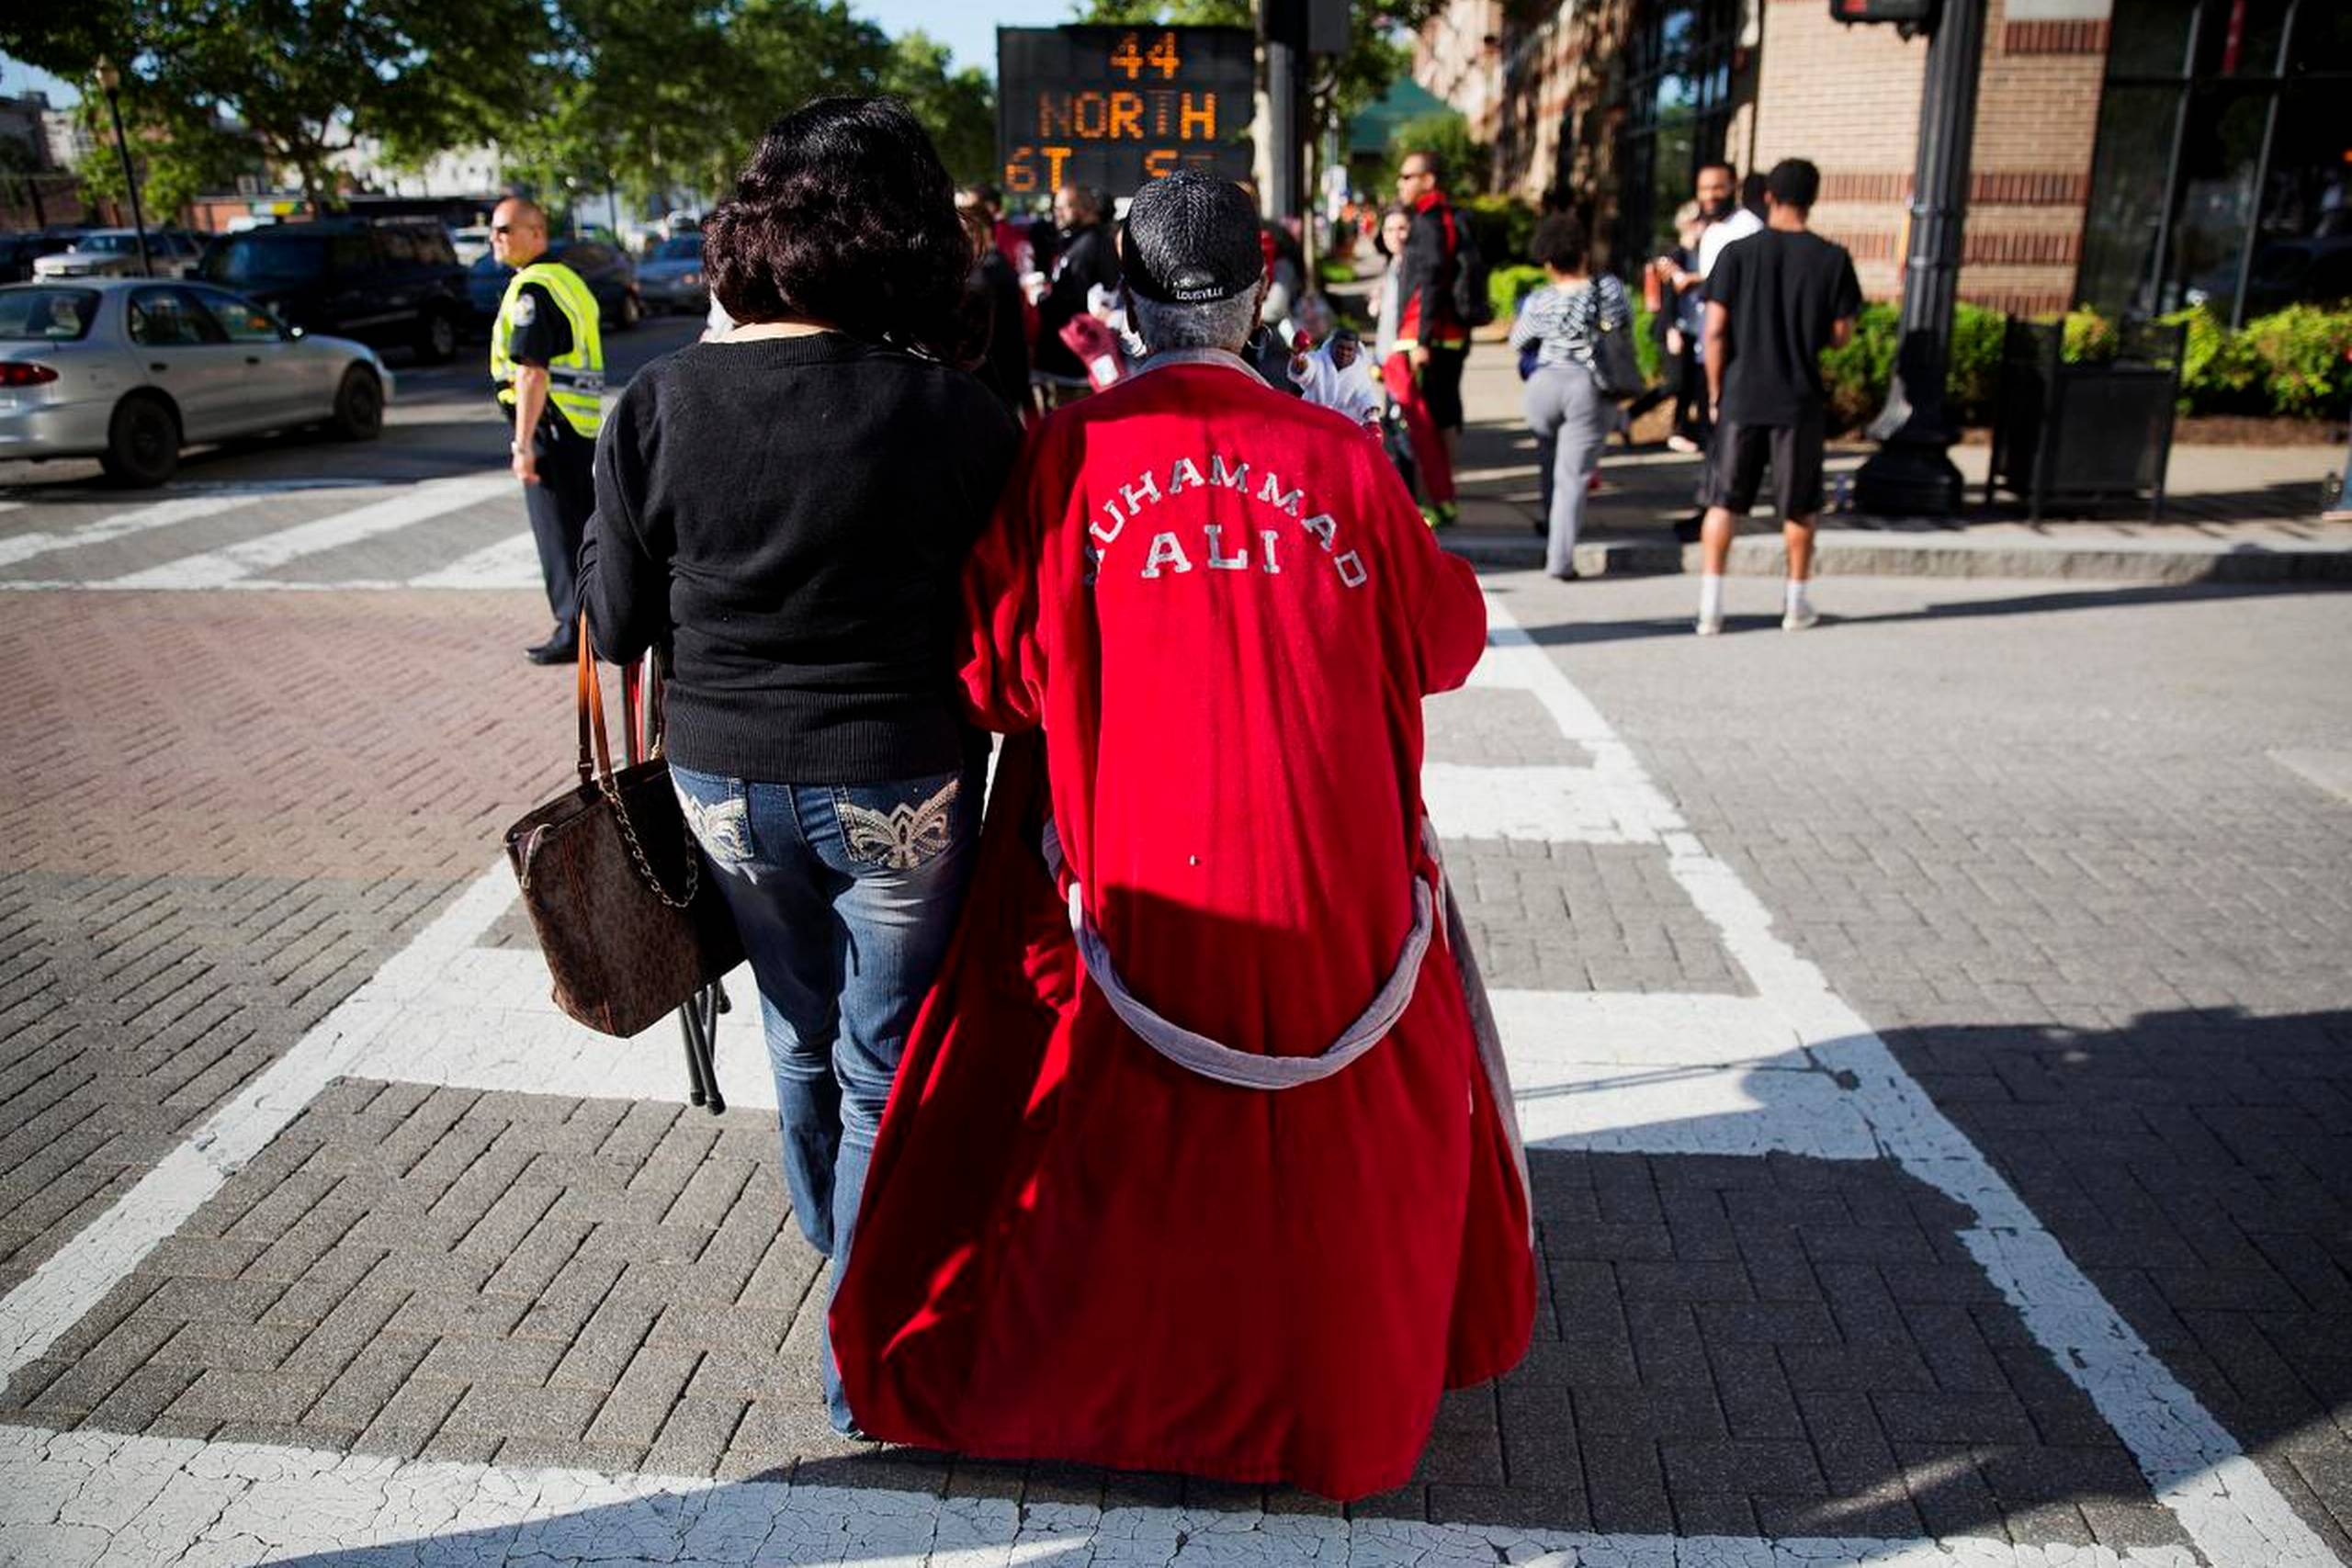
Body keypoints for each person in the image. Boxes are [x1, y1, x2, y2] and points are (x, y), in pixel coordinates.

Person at [831, 168, 1536, 1502]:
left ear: (1126, 302)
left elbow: (996, 680)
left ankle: (1124, 1389)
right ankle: (1323, 1395)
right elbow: (1447, 642)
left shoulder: (1065, 454)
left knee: (1116, 1139)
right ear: (1260, 294)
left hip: (1134, 873)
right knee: (1322, 1154)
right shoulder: (1343, 459)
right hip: (1335, 889)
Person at [575, 96, 1023, 1435]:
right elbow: (1000, 620)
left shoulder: (656, 403)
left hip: (720, 778)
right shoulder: (955, 414)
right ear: (902, 239)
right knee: (890, 1061)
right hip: (898, 775)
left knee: (798, 1031)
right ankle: (860, 1333)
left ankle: (834, 1259)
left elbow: (615, 620)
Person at [1695, 157, 1861, 635]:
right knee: (1799, 504)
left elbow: (1715, 331)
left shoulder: (1737, 254)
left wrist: (1714, 391)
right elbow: (1840, 333)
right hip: (1798, 397)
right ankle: (1796, 602)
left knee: (1723, 501)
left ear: (1767, 195)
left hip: (1742, 393)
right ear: (1813, 198)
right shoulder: (1832, 259)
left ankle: (1711, 605)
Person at [487, 197, 603, 664]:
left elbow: (531, 372)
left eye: (504, 229)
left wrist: (522, 444)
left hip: (550, 428)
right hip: (577, 426)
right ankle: (591, 626)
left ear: (536, 233)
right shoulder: (568, 279)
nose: (496, 238)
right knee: (581, 531)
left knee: (559, 538)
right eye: (494, 230)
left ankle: (571, 631)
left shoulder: (533, 289)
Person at [1510, 214, 1632, 581]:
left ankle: (1551, 524)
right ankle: (1560, 559)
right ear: (1582, 253)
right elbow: (1623, 326)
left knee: (1550, 462)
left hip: (1543, 386)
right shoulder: (1606, 289)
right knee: (1572, 476)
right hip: (1586, 386)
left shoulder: (1540, 299)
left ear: (1548, 261)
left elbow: (1518, 339)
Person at [1392, 149, 1473, 526]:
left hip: (1426, 337)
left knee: (1422, 422)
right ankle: (1444, 499)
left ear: (1428, 180)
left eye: (1408, 176)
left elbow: (1429, 281)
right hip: (1451, 335)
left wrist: (1420, 338)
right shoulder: (1453, 217)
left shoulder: (1426, 222)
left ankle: (1433, 503)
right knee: (1444, 416)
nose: (1401, 183)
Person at [1373, 203, 1451, 517]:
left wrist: (1419, 344)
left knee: (1406, 429)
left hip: (1404, 359)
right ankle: (1413, 501)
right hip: (1388, 360)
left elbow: (1423, 308)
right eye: (1389, 229)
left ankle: (1419, 503)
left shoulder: (1415, 265)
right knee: (1396, 427)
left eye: (1402, 228)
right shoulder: (1394, 264)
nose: (1396, 235)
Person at [1030, 184, 1121, 403]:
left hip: (1077, 366)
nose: (1056, 212)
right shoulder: (1079, 241)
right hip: (1068, 363)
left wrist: (1039, 297)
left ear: (1086, 208)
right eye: (1056, 207)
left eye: (1065, 207)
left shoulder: (1091, 244)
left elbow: (1069, 301)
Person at [958, 203, 1033, 421]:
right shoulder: (991, 267)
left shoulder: (986, 274)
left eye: (964, 233)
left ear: (983, 233)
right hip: (1002, 376)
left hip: (996, 378)